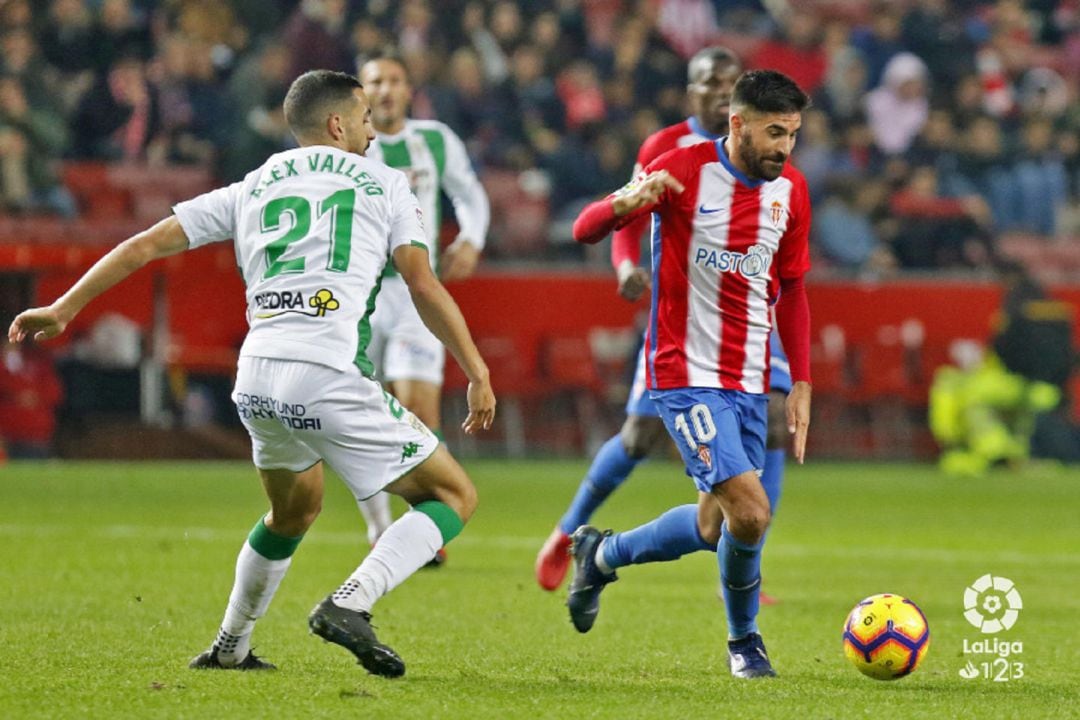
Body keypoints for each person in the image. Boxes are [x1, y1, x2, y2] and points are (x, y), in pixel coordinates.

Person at [8, 70, 496, 677]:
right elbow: (421, 284)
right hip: (328, 373)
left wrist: (63, 307)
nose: (374, 132)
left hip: (257, 377)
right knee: (454, 494)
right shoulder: (385, 181)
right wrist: (475, 367)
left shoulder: (256, 182)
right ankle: (352, 603)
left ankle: (230, 646)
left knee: (292, 512)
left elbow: (144, 244)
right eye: (366, 119)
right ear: (338, 124)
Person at [564, 69, 813, 679]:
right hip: (682, 371)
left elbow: (794, 287)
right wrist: (624, 204)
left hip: (750, 379)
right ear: (738, 123)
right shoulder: (683, 170)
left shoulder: (793, 191)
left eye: (794, 135)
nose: (785, 147)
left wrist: (801, 381)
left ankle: (600, 554)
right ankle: (744, 642)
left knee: (712, 525)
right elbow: (584, 229)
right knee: (751, 514)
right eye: (774, 132)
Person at [355, 53, 491, 563]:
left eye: (393, 80)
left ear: (409, 88)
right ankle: (377, 529)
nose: (385, 90)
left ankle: (424, 530)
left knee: (419, 410)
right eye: (374, 82)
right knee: (360, 414)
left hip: (416, 293)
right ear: (360, 94)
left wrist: (472, 239)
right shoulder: (347, 146)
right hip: (359, 296)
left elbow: (470, 194)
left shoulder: (434, 139)